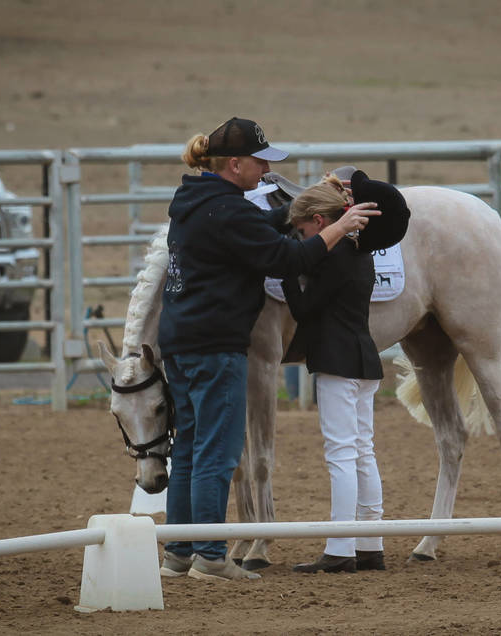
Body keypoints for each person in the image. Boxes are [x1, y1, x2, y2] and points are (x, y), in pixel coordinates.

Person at [157, 117, 379, 582]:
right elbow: (290, 258)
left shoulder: (195, 203)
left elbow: (257, 226)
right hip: (217, 344)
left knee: (191, 451)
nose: (265, 171)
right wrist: (342, 224)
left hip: (180, 340)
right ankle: (212, 557)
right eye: (260, 162)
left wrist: (297, 205)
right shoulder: (230, 212)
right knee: (218, 453)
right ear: (235, 164)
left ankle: (178, 551)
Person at [280, 175, 388, 574]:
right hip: (364, 358)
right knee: (363, 450)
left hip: (337, 362)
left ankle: (340, 549)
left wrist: (287, 270)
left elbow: (305, 310)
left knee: (341, 453)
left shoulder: (334, 256)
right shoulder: (360, 251)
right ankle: (370, 543)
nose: (301, 237)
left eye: (303, 230)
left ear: (321, 221)